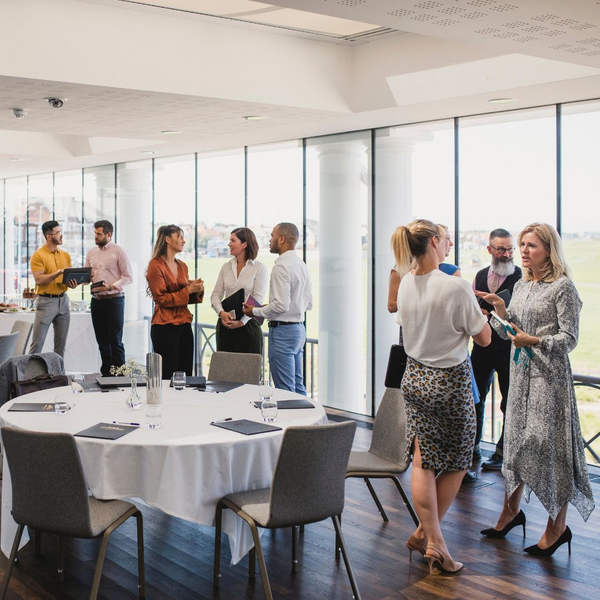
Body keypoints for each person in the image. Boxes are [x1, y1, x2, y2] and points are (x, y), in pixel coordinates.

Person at [478, 223, 594, 556]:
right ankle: (509, 514)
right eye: (522, 245)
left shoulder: (563, 287)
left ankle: (557, 528)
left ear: (549, 249)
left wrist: (537, 340)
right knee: (514, 445)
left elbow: (570, 339)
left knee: (549, 450)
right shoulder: (522, 286)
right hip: (521, 376)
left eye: (531, 245)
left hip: (549, 380)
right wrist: (500, 313)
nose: (524, 251)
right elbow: (509, 333)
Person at [393, 219, 490, 574]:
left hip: (414, 376)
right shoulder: (456, 287)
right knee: (460, 460)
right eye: (446, 240)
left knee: (423, 460)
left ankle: (424, 533)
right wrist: (486, 316)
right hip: (449, 381)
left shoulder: (405, 283)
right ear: (434, 241)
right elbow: (484, 340)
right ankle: (434, 541)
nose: (448, 245)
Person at [471, 228, 522, 470]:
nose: (507, 254)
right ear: (490, 249)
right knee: (476, 397)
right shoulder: (480, 275)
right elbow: (472, 307)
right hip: (481, 347)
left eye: (510, 249)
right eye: (501, 249)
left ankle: (503, 452)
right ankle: (473, 448)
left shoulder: (521, 277)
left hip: (508, 348)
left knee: (509, 400)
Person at [242, 222, 312, 394]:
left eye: (272, 236)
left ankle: (290, 422)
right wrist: (270, 307)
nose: (270, 240)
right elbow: (307, 304)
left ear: (281, 239)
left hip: (282, 333)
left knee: (285, 391)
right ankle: (305, 421)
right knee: (297, 386)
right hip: (298, 330)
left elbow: (281, 305)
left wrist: (254, 311)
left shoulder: (281, 266)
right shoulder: (302, 265)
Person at [146, 225, 204, 379]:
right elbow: (162, 299)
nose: (183, 241)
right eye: (180, 237)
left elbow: (182, 298)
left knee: (186, 373)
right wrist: (188, 290)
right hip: (164, 326)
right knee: (167, 374)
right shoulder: (155, 265)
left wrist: (197, 289)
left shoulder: (182, 266)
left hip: (184, 324)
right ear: (167, 239)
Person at [85, 220, 133, 376]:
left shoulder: (119, 251)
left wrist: (111, 287)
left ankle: (120, 376)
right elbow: (87, 276)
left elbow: (128, 277)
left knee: (115, 341)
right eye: (95, 234)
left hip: (114, 300)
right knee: (102, 342)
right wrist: (78, 279)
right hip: (96, 301)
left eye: (98, 234)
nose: (96, 237)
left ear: (108, 234)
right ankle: (106, 375)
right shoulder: (91, 252)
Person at [210, 228, 268, 354]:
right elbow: (216, 294)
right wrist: (221, 313)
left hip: (248, 326)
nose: (229, 244)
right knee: (225, 371)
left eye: (232, 240)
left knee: (248, 372)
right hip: (225, 325)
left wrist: (241, 322)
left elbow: (257, 300)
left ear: (244, 244)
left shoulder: (259, 268)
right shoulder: (226, 267)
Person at [29, 221, 79, 357]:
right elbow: (39, 279)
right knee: (37, 344)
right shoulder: (38, 255)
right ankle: (28, 376)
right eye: (58, 233)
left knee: (61, 345)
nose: (61, 235)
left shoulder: (66, 255)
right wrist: (58, 272)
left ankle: (58, 376)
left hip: (63, 301)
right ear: (49, 236)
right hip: (46, 302)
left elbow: (67, 281)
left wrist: (73, 284)